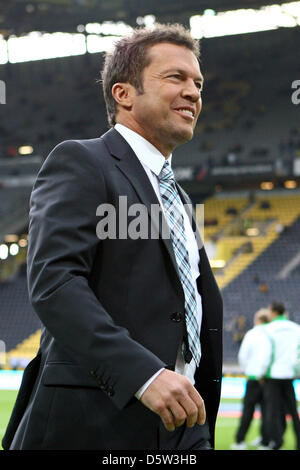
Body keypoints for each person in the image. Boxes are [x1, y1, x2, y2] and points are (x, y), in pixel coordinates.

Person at [2, 23, 223, 451]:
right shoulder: (82, 161)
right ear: (124, 93)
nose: (194, 92)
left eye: (198, 83)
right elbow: (55, 283)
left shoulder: (177, 195)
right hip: (97, 420)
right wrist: (143, 374)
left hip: (185, 425)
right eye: (175, 77)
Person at [260, 302, 300, 450]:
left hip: (273, 376)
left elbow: (265, 354)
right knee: (294, 412)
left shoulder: (268, 329)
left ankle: (277, 443)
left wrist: (261, 372)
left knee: (273, 412)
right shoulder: (296, 328)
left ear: (273, 311)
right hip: (289, 375)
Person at [230, 308, 270, 450]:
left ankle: (240, 441)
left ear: (257, 320)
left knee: (248, 411)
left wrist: (250, 371)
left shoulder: (252, 334)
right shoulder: (271, 334)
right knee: (267, 411)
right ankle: (265, 441)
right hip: (268, 379)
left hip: (253, 378)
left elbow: (242, 357)